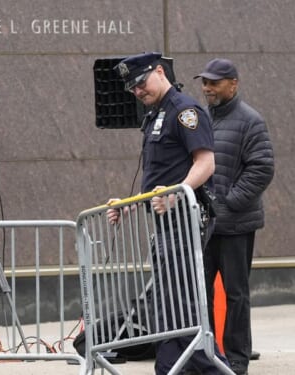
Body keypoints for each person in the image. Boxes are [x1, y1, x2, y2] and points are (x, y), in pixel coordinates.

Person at [106, 52, 228, 375]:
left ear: (159, 71)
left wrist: (176, 195)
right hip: (166, 224)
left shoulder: (184, 111)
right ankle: (171, 368)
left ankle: (211, 369)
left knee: (181, 306)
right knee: (167, 305)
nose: (138, 91)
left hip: (185, 222)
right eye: (132, 88)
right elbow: (159, 177)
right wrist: (130, 204)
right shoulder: (155, 114)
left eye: (141, 83)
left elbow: (206, 164)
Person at [195, 58, 275, 375]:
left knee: (235, 294)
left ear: (234, 84)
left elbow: (262, 169)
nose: (207, 88)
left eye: (214, 82)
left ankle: (237, 359)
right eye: (205, 82)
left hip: (236, 225)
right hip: (204, 225)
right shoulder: (200, 118)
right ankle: (206, 354)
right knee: (199, 293)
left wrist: (228, 202)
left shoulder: (250, 121)